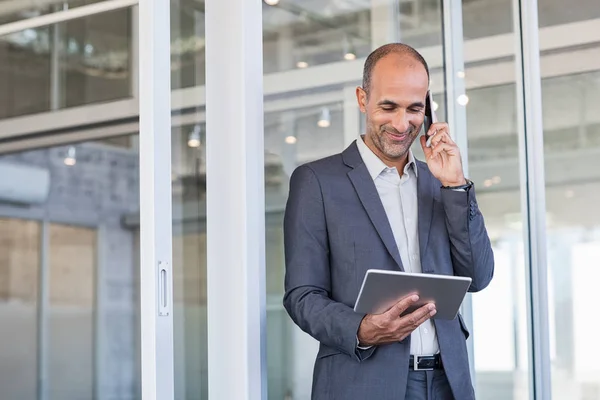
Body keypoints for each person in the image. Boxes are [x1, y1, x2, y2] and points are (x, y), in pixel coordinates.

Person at [282, 43, 494, 400]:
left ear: (427, 108)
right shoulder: (317, 182)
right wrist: (362, 329)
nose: (401, 124)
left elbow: (479, 275)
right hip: (363, 383)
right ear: (363, 99)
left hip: (448, 383)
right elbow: (302, 295)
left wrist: (456, 186)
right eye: (388, 107)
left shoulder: (439, 182)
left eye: (414, 109)